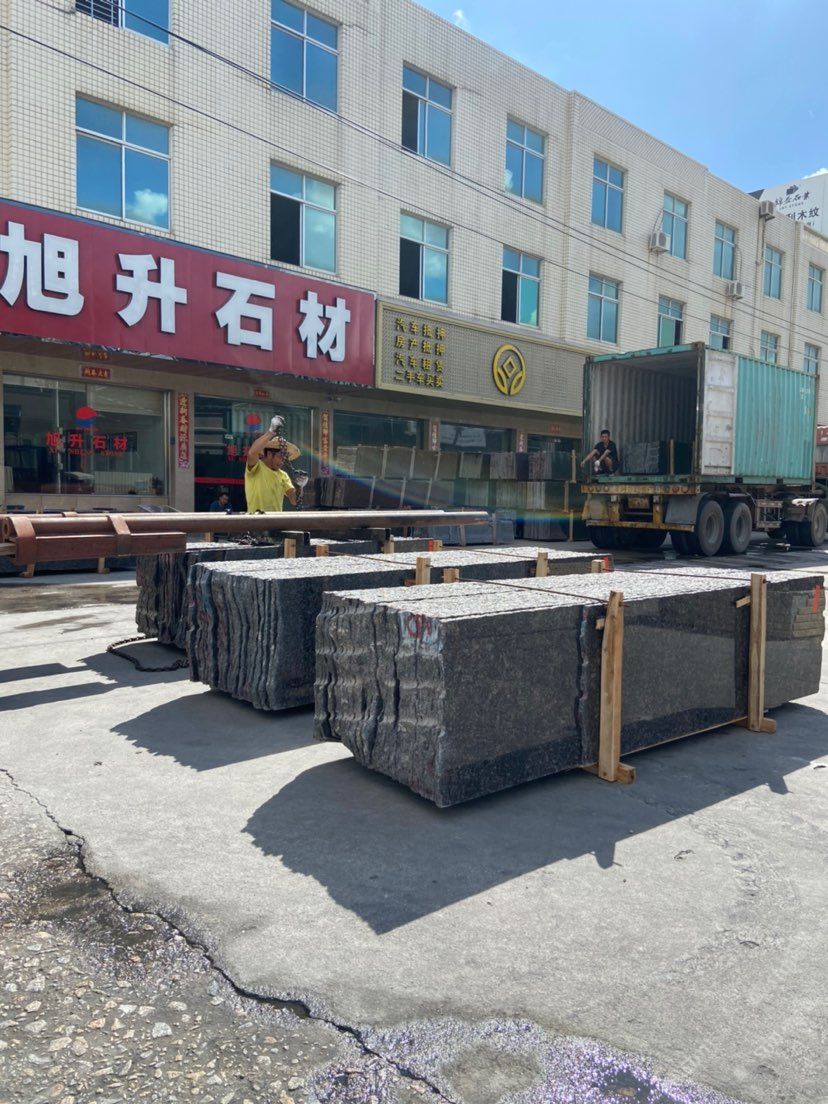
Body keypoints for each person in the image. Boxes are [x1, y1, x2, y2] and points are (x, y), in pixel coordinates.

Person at [244, 416, 301, 512]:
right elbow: (251, 453)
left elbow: (294, 500)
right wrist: (271, 432)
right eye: (280, 456)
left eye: (284, 458)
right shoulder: (256, 467)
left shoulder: (283, 475)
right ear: (270, 454)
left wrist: (300, 486)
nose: (282, 461)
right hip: (256, 519)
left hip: (276, 520)